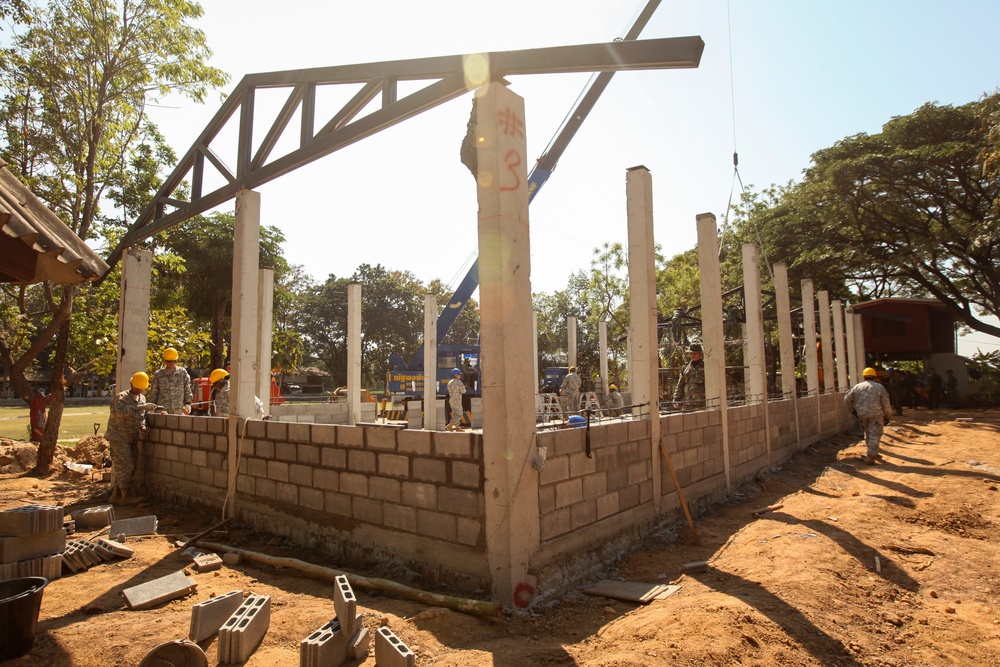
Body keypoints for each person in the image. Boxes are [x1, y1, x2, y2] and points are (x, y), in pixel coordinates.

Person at [105, 372, 157, 503]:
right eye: (137, 387)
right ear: (131, 384)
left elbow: (141, 417)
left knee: (130, 464)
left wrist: (143, 426)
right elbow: (121, 413)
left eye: (141, 388)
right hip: (119, 436)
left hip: (132, 438)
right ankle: (125, 495)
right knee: (126, 464)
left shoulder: (142, 399)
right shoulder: (121, 398)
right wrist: (141, 407)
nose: (139, 390)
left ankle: (117, 494)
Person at [844, 367, 893, 465]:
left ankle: (873, 452)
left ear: (864, 376)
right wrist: (888, 415)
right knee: (875, 433)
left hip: (862, 414)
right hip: (876, 414)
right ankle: (871, 455)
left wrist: (852, 410)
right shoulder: (879, 387)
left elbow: (847, 398)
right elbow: (886, 402)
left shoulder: (857, 387)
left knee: (868, 433)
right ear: (874, 376)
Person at [146, 347, 193, 415]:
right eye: (168, 361)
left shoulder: (182, 373)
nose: (171, 363)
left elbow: (187, 389)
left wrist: (188, 403)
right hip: (162, 410)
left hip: (178, 411)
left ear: (176, 360)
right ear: (164, 360)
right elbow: (154, 392)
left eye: (173, 361)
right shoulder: (159, 374)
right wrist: (150, 407)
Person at [673, 343, 706, 410]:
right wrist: (676, 398)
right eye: (691, 353)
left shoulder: (705, 367)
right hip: (687, 404)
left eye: (695, 353)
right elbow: (680, 384)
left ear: (700, 353)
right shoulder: (685, 367)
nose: (692, 355)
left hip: (701, 405)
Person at [445, 367, 466, 431]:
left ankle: (457, 427)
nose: (460, 376)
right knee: (459, 414)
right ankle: (450, 425)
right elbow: (463, 391)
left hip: (451, 400)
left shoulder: (450, 382)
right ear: (456, 375)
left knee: (455, 414)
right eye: (459, 374)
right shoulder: (459, 382)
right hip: (457, 400)